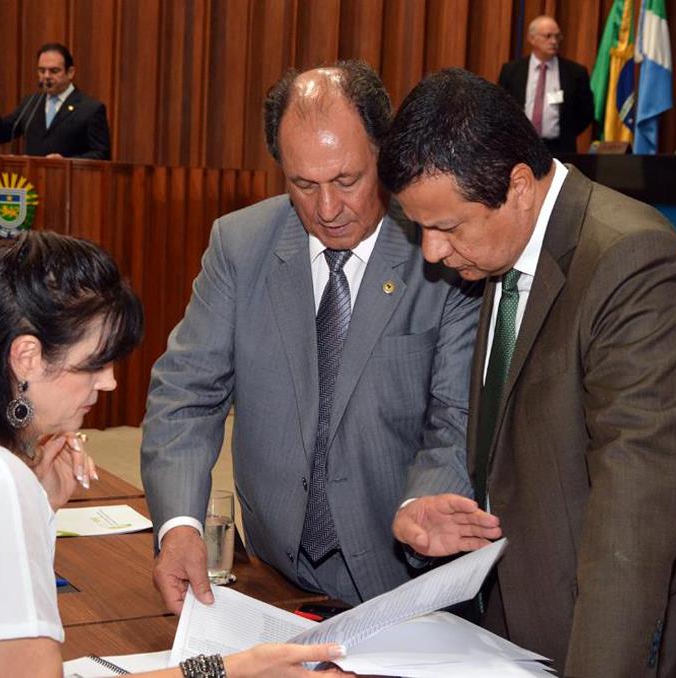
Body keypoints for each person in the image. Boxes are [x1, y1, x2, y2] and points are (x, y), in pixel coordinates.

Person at [0, 232, 342, 678]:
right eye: (93, 363)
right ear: (26, 357)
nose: (111, 384)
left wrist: (39, 503)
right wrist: (229, 670)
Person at [380, 68, 676, 677]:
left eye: (446, 227)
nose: (431, 252)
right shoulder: (500, 251)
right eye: (419, 226)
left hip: (620, 636)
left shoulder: (635, 264)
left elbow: (629, 530)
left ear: (520, 186)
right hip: (523, 619)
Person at [141, 61, 488, 613]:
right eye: (304, 185)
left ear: (385, 154)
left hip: (405, 579)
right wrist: (180, 525)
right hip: (275, 576)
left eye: (346, 181)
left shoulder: (442, 255)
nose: (327, 210)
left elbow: (456, 417)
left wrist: (427, 501)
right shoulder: (240, 244)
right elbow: (186, 395)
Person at [0, 43, 111, 160]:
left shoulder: (90, 109)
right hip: (32, 185)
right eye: (41, 71)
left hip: (71, 184)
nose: (46, 76)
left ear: (70, 72)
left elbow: (102, 155)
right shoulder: (31, 103)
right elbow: (0, 135)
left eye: (54, 71)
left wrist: (67, 161)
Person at [498, 16, 594, 154]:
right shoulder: (512, 70)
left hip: (560, 149)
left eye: (557, 36)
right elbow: (502, 108)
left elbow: (586, 113)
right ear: (532, 39)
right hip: (520, 147)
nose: (554, 42)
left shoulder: (575, 73)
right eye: (548, 36)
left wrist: (567, 132)